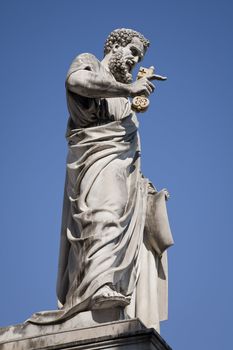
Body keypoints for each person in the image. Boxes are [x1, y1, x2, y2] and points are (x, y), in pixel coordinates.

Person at [29, 28, 173, 332]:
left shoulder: (124, 97)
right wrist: (129, 89)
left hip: (122, 177)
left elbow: (130, 159)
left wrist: (146, 193)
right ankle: (95, 290)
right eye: (132, 52)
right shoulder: (89, 63)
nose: (134, 60)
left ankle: (105, 289)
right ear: (116, 46)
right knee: (100, 217)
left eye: (138, 57)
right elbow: (76, 82)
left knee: (116, 225)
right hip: (93, 162)